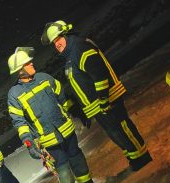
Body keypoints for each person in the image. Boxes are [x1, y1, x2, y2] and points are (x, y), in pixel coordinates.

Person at [42, 21, 153, 171]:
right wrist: (81, 109)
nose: (56, 44)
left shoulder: (79, 48)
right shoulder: (70, 55)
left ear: (66, 35)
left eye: (58, 39)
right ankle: (133, 157)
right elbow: (80, 84)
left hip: (108, 100)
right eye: (54, 43)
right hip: (97, 107)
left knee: (123, 129)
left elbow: (99, 74)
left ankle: (143, 158)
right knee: (116, 134)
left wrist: (103, 99)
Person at [6, 47, 97, 183]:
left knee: (77, 157)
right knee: (62, 167)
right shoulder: (14, 94)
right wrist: (28, 141)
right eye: (27, 63)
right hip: (48, 138)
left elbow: (62, 97)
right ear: (20, 71)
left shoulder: (45, 78)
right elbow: (19, 121)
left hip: (66, 129)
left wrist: (75, 109)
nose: (32, 63)